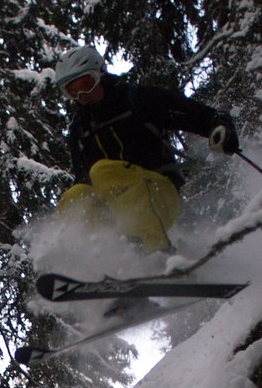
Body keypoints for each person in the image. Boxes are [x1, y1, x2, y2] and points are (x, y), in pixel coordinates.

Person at [54, 45, 240, 255]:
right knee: (75, 196)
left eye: (86, 84)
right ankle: (104, 261)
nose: (82, 95)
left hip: (159, 193)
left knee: (103, 171)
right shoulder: (80, 129)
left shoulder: (134, 99)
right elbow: (83, 180)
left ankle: (157, 252)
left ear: (100, 74)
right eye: (71, 90)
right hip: (119, 211)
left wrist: (219, 126)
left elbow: (195, 114)